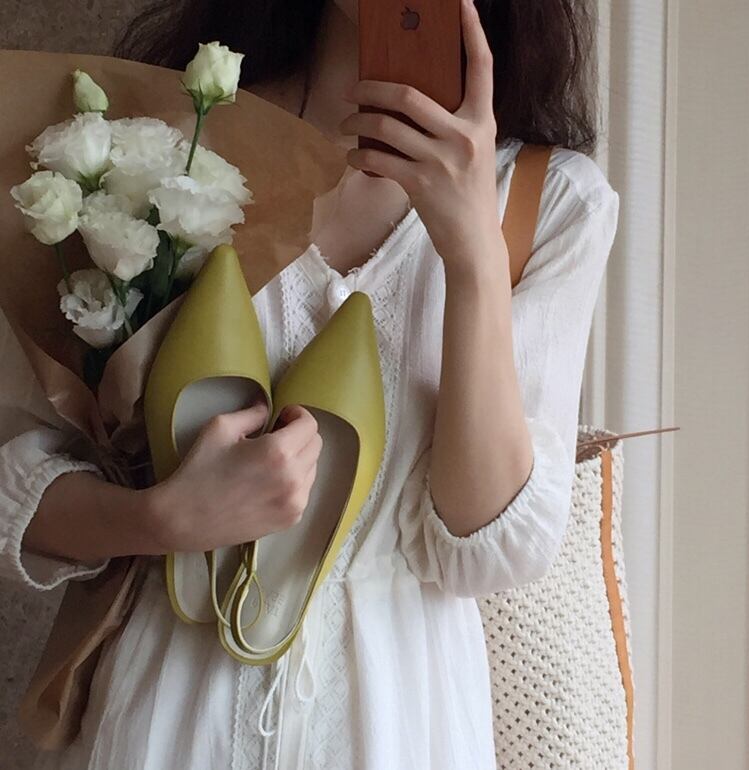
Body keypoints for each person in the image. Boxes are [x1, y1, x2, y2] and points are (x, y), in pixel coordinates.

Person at [0, 0, 619, 767]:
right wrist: (157, 520)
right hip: (169, 720)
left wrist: (473, 259)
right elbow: (18, 482)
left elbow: (486, 552)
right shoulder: (164, 144)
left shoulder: (547, 202)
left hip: (399, 728)